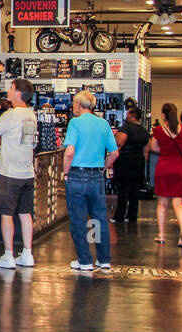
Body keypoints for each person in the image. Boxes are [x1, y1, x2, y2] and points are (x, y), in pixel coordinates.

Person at [62, 90, 118, 272]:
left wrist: (65, 172)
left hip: (77, 174)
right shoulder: (103, 124)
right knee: (99, 218)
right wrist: (103, 167)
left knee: (78, 219)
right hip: (96, 176)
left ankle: (85, 260)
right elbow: (114, 153)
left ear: (78, 105)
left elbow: (69, 151)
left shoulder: (75, 123)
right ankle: (104, 259)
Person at [0, 78, 38, 269]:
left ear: (18, 93)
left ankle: (8, 255)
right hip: (26, 172)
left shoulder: (9, 115)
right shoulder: (31, 116)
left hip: (10, 173)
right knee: (25, 213)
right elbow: (28, 142)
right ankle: (27, 253)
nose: (8, 91)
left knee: (6, 214)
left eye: (11, 88)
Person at [149, 103, 182, 246]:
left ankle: (161, 235)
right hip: (180, 168)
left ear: (163, 115)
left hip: (164, 168)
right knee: (178, 204)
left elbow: (153, 147)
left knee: (162, 204)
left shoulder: (159, 131)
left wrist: (166, 151)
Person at [110, 106, 149, 222]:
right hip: (138, 162)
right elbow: (146, 150)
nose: (126, 116)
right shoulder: (145, 131)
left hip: (125, 162)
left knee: (123, 189)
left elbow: (119, 144)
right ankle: (132, 215)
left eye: (127, 114)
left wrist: (112, 159)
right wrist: (142, 162)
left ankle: (119, 216)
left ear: (132, 116)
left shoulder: (125, 128)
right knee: (134, 190)